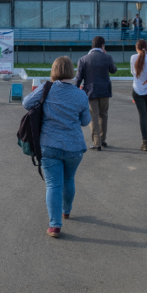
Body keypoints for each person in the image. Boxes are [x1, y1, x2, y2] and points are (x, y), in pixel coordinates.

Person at [23, 56, 90, 239]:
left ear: (54, 70)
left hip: (49, 145)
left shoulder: (47, 88)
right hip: (74, 147)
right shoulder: (80, 94)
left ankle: (54, 226)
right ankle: (66, 210)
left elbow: (26, 103)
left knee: (53, 184)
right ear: (72, 71)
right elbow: (85, 121)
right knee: (69, 180)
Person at [75, 36, 118, 151]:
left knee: (93, 116)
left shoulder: (83, 59)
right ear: (103, 46)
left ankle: (96, 142)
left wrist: (74, 90)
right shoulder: (107, 57)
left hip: (91, 91)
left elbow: (78, 78)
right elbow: (114, 70)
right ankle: (103, 140)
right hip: (105, 91)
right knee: (103, 115)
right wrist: (106, 54)